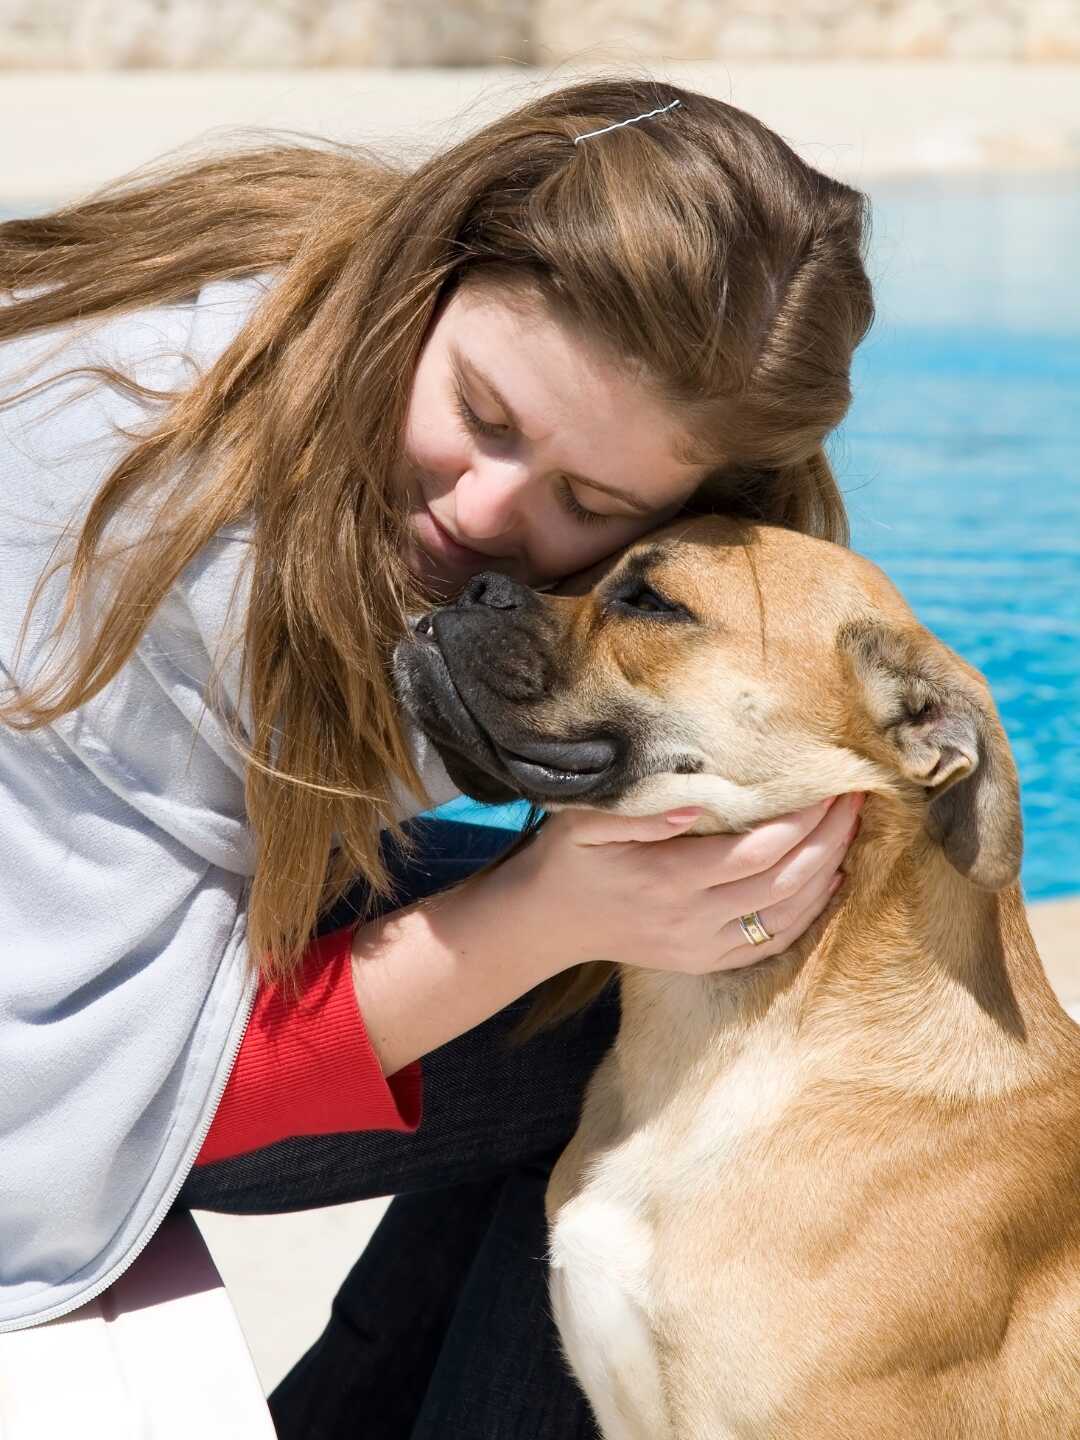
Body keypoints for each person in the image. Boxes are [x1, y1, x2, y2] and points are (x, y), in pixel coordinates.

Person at [0, 75, 874, 1433]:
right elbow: (81, 1116)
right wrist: (540, 916)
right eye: (484, 413)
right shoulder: (161, 522)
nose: (480, 512)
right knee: (663, 1007)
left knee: (691, 952)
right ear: (448, 251)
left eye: (589, 504)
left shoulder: (303, 298)